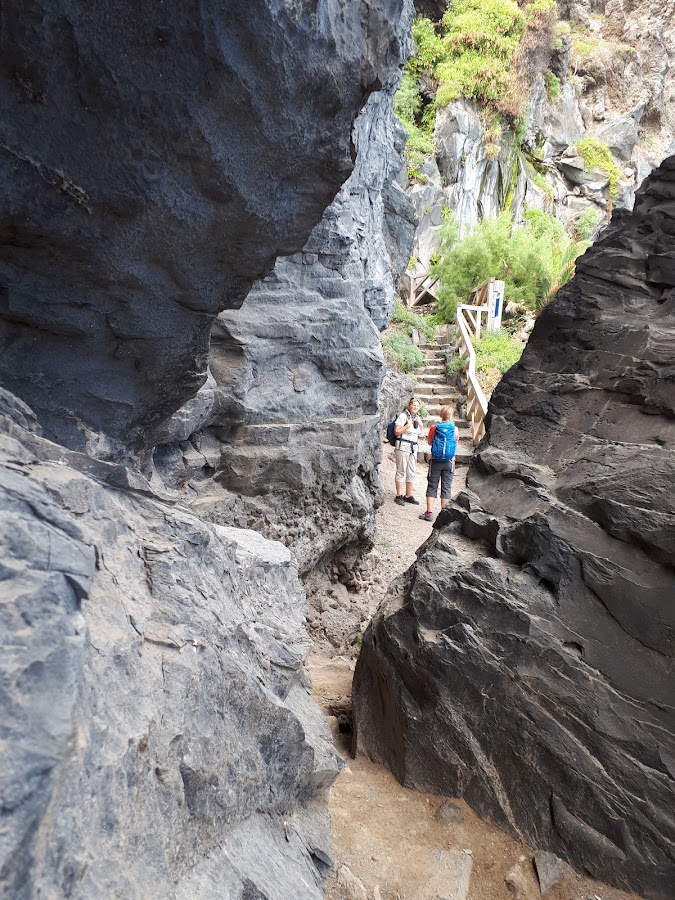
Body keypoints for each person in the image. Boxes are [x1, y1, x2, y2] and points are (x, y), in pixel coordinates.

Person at [419, 404, 459, 521]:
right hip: (450, 461)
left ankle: (429, 513)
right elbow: (455, 443)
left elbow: (430, 443)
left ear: (441, 415)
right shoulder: (455, 429)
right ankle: (443, 516)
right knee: (446, 487)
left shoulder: (434, 427)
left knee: (432, 486)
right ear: (451, 416)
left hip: (435, 460)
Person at [393, 397, 422, 506]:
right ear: (409, 406)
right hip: (403, 446)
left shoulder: (417, 418)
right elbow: (396, 431)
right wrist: (407, 425)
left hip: (413, 448)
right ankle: (399, 495)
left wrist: (419, 424)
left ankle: (408, 495)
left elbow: (418, 432)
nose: (415, 407)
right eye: (414, 405)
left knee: (411, 471)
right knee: (401, 470)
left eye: (417, 406)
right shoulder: (403, 416)